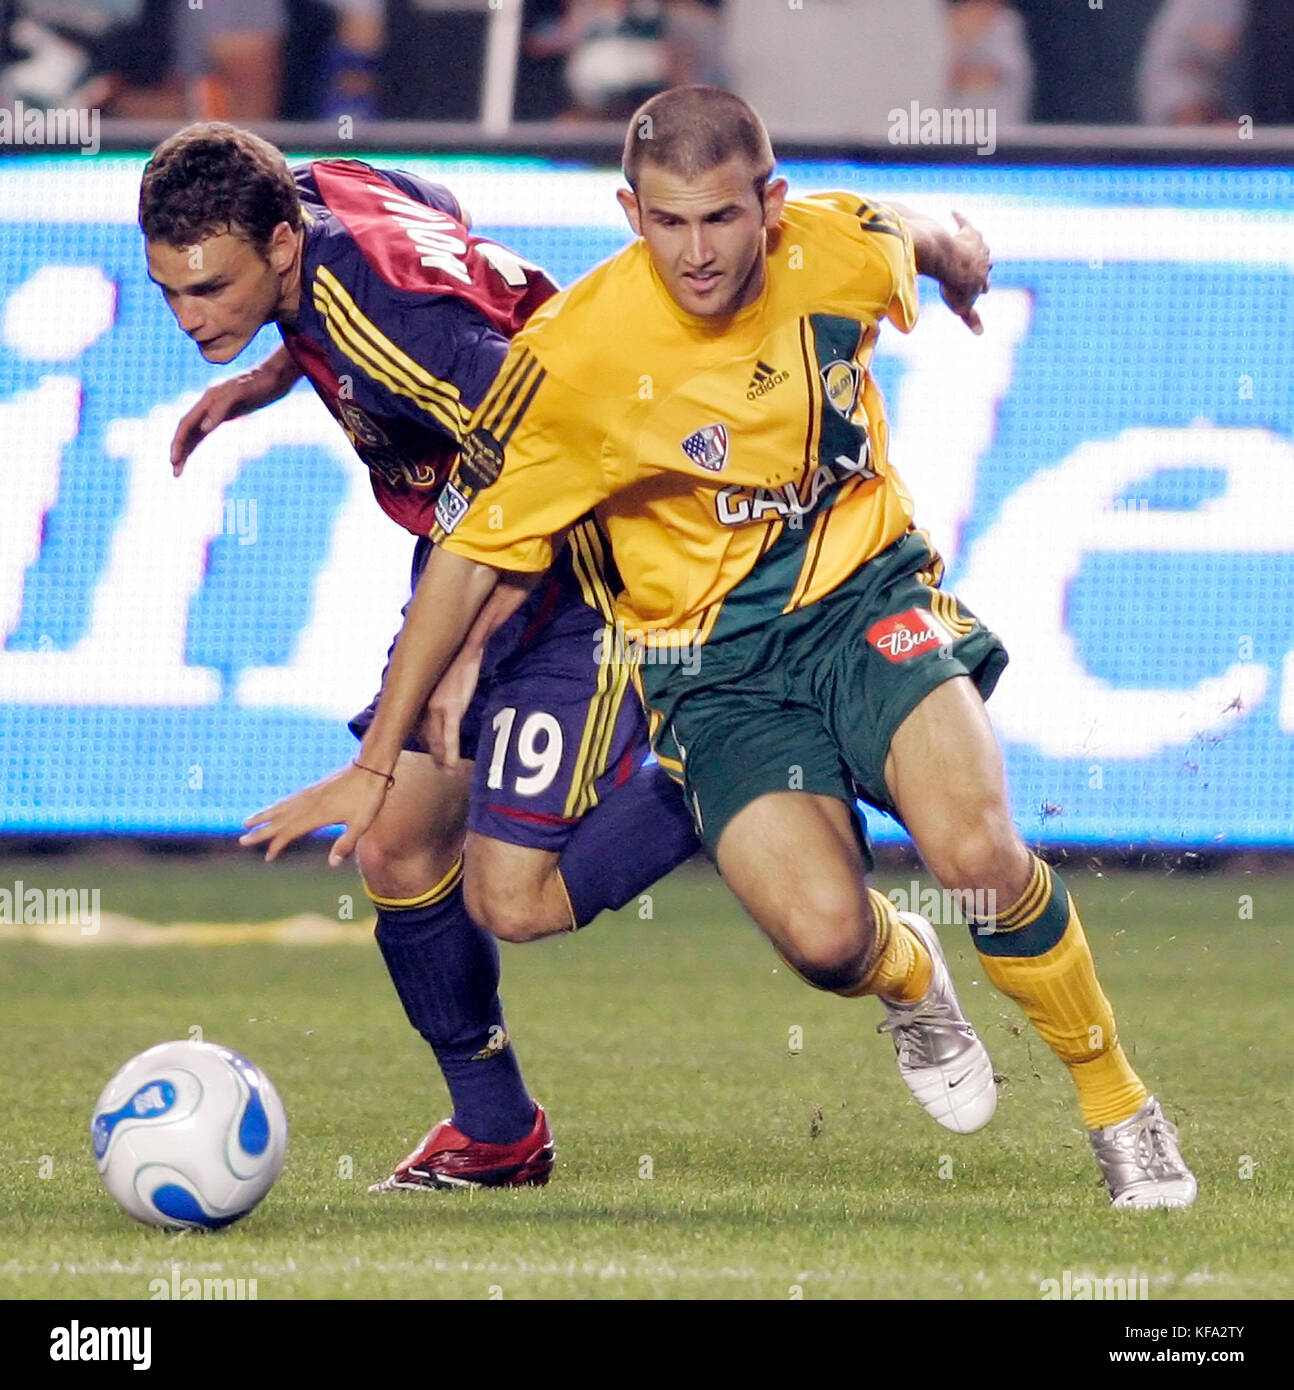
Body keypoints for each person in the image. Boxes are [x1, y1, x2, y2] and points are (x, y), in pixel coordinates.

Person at [241, 87, 1199, 1207]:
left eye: (721, 219)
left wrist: (958, 257)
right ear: (630, 212)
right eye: (667, 221)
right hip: (713, 674)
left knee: (977, 855)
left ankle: (1120, 1106)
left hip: (863, 602)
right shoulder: (577, 361)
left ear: (770, 205)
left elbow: (915, 234)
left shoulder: (832, 247)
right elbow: (465, 560)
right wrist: (379, 757)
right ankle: (907, 976)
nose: (696, 252)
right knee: (828, 941)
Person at [139, 123, 700, 1190]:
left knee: (514, 897)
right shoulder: (313, 190)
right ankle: (497, 1132)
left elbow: (547, 451)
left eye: (210, 288)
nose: (190, 314)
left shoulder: (392, 326)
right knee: (398, 848)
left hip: (588, 546)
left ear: (280, 245)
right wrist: (266, 374)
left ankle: (727, 768)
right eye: (170, 291)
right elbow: (431, 208)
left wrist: (459, 658)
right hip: (481, 532)